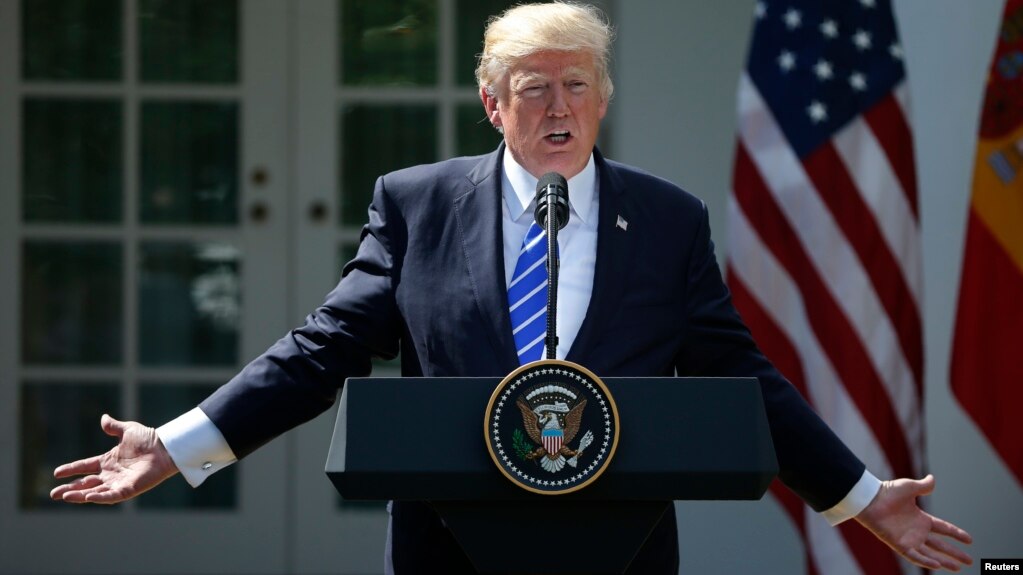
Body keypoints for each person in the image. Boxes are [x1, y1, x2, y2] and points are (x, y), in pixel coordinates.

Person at [51, 3, 973, 573]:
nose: (559, 107)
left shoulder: (665, 218)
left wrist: (854, 495)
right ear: (492, 104)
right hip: (448, 543)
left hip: (620, 545)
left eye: (577, 85)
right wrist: (178, 446)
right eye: (534, 89)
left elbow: (740, 372)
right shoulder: (416, 205)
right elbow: (323, 346)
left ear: (603, 99)